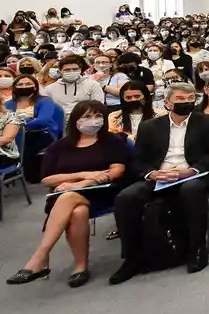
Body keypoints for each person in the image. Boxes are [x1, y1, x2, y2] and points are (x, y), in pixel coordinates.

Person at [110, 82, 209, 283]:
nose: (186, 102)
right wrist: (151, 174)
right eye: (180, 99)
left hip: (194, 174)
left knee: (191, 190)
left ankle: (197, 249)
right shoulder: (149, 126)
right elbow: (138, 160)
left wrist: (190, 170)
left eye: (190, 98)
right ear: (167, 103)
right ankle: (131, 258)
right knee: (126, 198)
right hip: (160, 176)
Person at [6, 101, 131, 288]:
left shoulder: (112, 141)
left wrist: (84, 182)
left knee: (68, 196)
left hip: (102, 192)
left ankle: (40, 257)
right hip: (67, 196)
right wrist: (81, 175)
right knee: (77, 212)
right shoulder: (60, 146)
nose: (93, 121)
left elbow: (116, 170)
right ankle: (80, 267)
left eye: (98, 116)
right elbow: (47, 178)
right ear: (75, 120)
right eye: (87, 117)